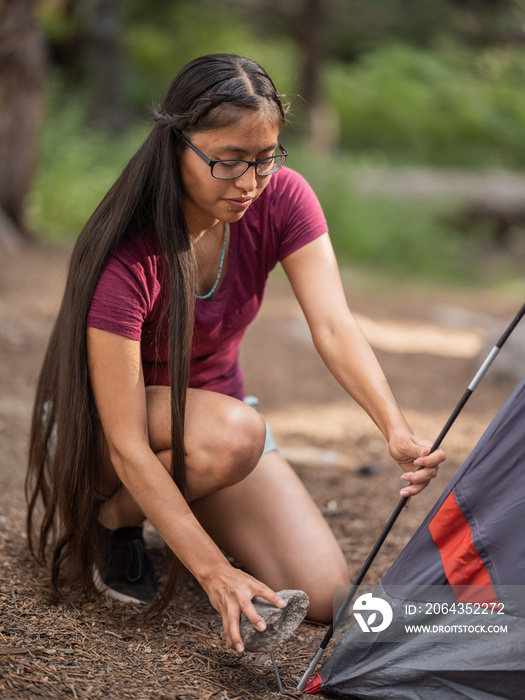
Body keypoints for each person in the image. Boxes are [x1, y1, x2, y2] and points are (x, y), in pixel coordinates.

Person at [26, 53, 445, 655]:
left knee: (325, 594)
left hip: (215, 428)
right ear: (178, 145)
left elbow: (332, 324)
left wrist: (394, 427)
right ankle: (110, 518)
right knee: (237, 434)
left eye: (265, 158)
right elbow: (124, 441)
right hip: (104, 436)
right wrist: (212, 572)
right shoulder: (128, 255)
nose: (249, 182)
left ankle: (151, 512)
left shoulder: (281, 199)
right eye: (227, 162)